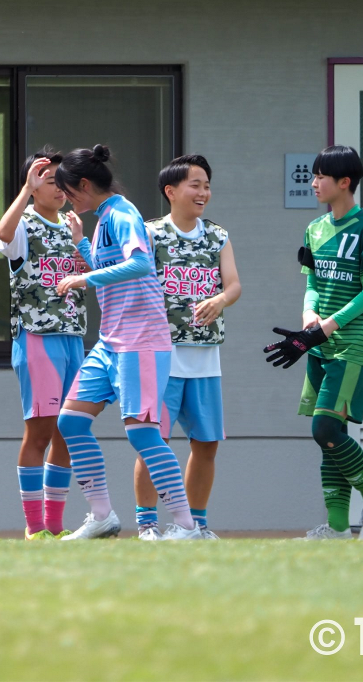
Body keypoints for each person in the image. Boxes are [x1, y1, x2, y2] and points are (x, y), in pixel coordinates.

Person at [52, 145, 200, 540]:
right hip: (110, 342)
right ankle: (102, 515)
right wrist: (82, 244)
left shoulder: (123, 213)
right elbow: (110, 267)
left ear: (83, 185)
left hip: (141, 341)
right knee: (70, 421)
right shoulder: (102, 220)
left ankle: (187, 527)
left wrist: (83, 279)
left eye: (67, 191)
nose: (66, 199)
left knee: (142, 432)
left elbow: (139, 264)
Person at [264, 144, 363, 540]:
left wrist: (328, 326)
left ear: (345, 183)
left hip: (355, 340)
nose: (314, 181)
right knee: (330, 438)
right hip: (320, 340)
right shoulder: (315, 229)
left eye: (322, 176)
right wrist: (309, 322)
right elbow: (313, 285)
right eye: (314, 174)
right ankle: (338, 528)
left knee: (324, 429)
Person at [134, 155, 240, 541]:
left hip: (205, 357)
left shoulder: (218, 236)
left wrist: (221, 300)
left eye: (207, 185)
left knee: (207, 444)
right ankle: (147, 522)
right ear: (171, 191)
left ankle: (194, 525)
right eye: (195, 184)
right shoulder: (148, 234)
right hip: (161, 356)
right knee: (153, 441)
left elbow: (233, 285)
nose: (203, 192)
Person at [0, 150, 87, 539]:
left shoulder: (72, 225)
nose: (58, 187)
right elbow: (1, 238)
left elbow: (93, 274)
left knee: (69, 430)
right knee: (40, 431)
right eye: (49, 180)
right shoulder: (25, 223)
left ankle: (54, 525)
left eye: (60, 180)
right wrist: (25, 192)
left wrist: (82, 243)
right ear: (32, 187)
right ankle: (33, 527)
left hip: (74, 338)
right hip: (36, 338)